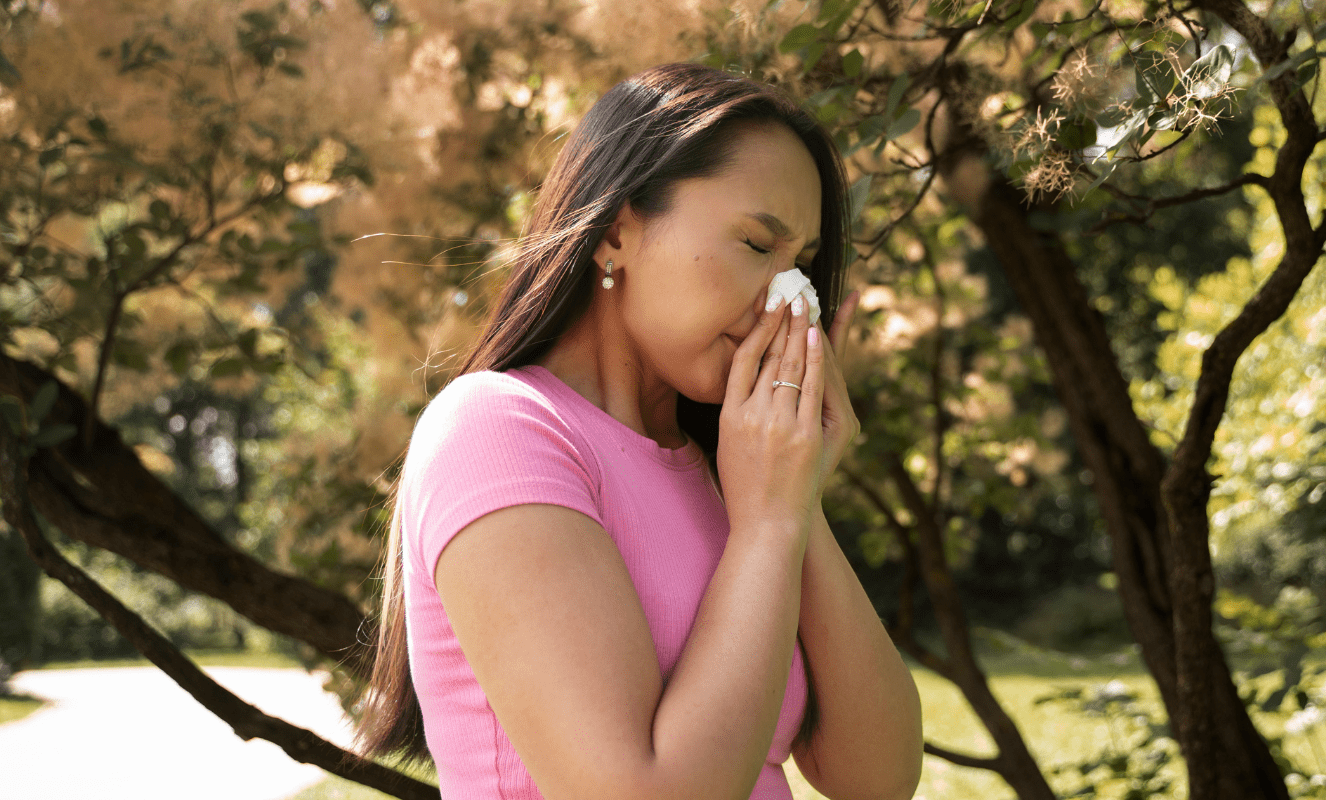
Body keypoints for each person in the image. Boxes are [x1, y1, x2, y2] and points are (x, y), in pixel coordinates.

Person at [355, 62, 924, 800]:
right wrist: (767, 526)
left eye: (803, 267)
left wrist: (796, 497)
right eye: (759, 246)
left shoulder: (735, 475)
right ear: (616, 231)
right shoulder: (498, 430)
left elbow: (876, 779)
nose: (790, 302)